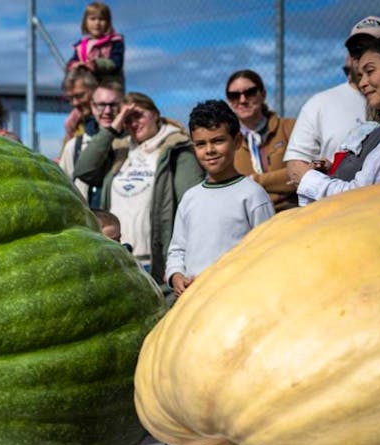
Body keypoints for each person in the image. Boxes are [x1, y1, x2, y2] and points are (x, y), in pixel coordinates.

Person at [75, 92, 204, 283]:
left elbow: (192, 207)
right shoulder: (119, 149)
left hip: (156, 262)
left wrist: (180, 264)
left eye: (138, 115)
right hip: (118, 257)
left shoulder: (177, 148)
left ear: (155, 114)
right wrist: (113, 127)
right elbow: (83, 169)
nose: (133, 123)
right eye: (127, 119)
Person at [166, 100, 274, 299]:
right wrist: (176, 275)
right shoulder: (190, 198)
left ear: (237, 141)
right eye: (200, 144)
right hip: (192, 301)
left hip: (236, 300)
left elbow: (269, 251)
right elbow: (177, 249)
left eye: (218, 141)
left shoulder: (253, 195)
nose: (209, 150)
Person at [295, 34, 380, 206]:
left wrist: (309, 180)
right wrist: (336, 168)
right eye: (360, 75)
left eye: (370, 71)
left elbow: (364, 196)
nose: (363, 83)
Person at [284, 16, 380, 188]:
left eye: (374, 47)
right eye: (356, 49)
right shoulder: (319, 104)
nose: (362, 56)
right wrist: (327, 174)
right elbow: (296, 163)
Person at [225, 70, 297, 211]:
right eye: (234, 95)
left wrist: (254, 181)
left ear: (263, 94)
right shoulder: (227, 143)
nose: (242, 100)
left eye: (250, 92)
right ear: (229, 101)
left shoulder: (289, 128)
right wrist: (279, 181)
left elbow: (304, 174)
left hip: (293, 212)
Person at [66, 2, 125, 84]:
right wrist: (75, 64)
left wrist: (97, 64)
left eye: (101, 19)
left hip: (109, 84)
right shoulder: (81, 46)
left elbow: (116, 62)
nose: (97, 23)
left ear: (108, 23)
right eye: (93, 19)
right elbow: (73, 61)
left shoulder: (114, 42)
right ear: (85, 22)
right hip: (87, 84)